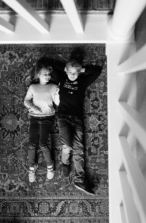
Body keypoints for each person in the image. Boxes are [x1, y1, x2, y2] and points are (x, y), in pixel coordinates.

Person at [56, 58, 102, 195]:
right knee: (67, 146)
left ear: (79, 73)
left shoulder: (81, 82)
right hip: (63, 117)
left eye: (75, 73)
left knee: (79, 149)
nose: (72, 75)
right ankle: (65, 162)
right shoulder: (61, 77)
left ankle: (80, 179)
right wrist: (66, 68)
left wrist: (81, 70)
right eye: (70, 72)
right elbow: (52, 65)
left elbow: (97, 71)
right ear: (66, 71)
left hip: (77, 119)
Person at [23, 59, 59, 183]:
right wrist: (33, 107)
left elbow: (57, 103)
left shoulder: (53, 86)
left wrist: (58, 94)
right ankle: (31, 167)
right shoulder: (33, 87)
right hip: (34, 117)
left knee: (43, 143)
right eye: (45, 74)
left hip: (47, 118)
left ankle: (50, 166)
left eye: (49, 74)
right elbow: (26, 101)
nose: (48, 76)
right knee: (32, 144)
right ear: (38, 75)